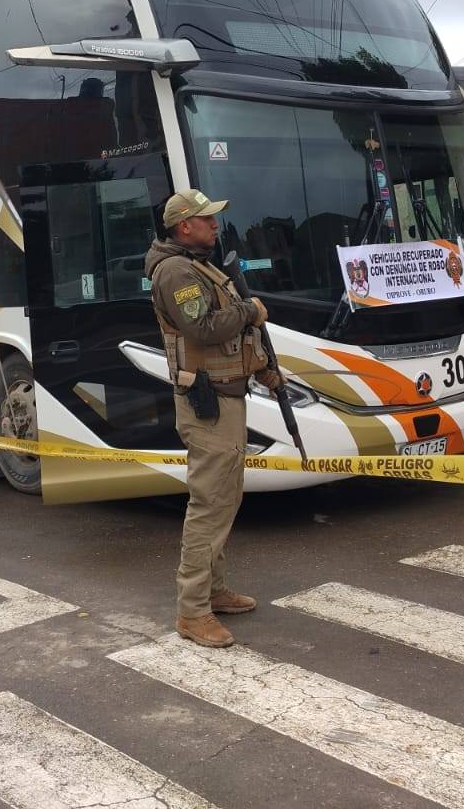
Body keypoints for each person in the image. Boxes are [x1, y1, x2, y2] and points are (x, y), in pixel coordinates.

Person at [145, 187, 283, 648]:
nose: (215, 225)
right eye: (207, 219)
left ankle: (214, 590)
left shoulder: (199, 266)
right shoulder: (175, 271)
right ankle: (193, 610)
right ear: (185, 226)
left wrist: (264, 368)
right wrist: (251, 310)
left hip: (227, 397)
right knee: (209, 505)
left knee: (225, 499)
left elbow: (226, 339)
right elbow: (202, 327)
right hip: (208, 406)